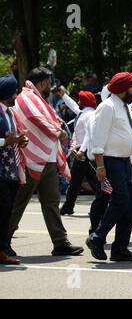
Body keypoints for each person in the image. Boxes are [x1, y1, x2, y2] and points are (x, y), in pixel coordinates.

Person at [7, 67, 83, 257]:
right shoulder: (26, 97)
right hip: (30, 158)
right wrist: (59, 131)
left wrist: (58, 131)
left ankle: (60, 242)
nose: (51, 86)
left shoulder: (38, 99)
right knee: (19, 202)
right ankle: (3, 241)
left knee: (51, 202)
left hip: (47, 159)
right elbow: (37, 119)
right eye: (49, 82)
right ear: (42, 83)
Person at [85, 72, 132, 262]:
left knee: (129, 203)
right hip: (111, 160)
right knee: (120, 199)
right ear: (122, 89)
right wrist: (100, 167)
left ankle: (120, 248)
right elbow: (98, 139)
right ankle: (97, 236)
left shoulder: (124, 106)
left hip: (124, 161)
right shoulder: (107, 107)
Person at [0, 75, 27, 265]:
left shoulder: (9, 112)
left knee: (6, 210)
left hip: (10, 169)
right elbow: (5, 139)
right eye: (14, 91)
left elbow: (11, 135)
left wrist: (19, 140)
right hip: (0, 169)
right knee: (2, 209)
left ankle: (1, 249)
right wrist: (5, 141)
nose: (16, 95)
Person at [57, 90, 99, 216]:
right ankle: (69, 206)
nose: (78, 102)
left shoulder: (89, 115)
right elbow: (73, 106)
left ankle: (68, 207)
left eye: (80, 99)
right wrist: (63, 95)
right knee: (90, 180)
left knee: (76, 181)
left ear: (84, 102)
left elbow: (89, 134)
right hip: (83, 152)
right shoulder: (84, 113)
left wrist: (81, 151)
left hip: (83, 152)